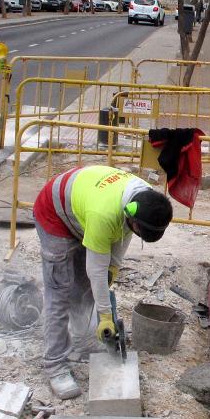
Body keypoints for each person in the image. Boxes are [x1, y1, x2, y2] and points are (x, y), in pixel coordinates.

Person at [33, 165, 174, 400]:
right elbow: (96, 270)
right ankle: (55, 365)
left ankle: (82, 341)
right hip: (54, 214)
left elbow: (119, 241)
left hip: (82, 210)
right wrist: (106, 317)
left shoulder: (146, 200)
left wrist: (112, 271)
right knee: (61, 291)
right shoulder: (105, 214)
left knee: (87, 287)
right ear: (132, 217)